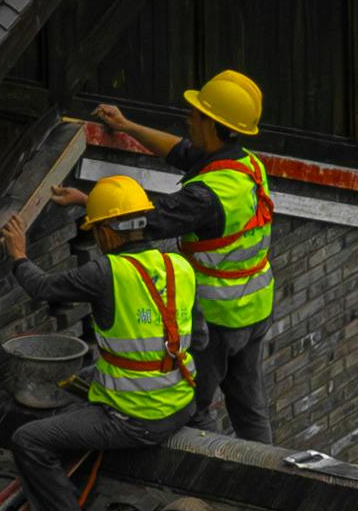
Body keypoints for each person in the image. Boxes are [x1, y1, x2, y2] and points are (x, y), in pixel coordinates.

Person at [0, 173, 197, 511]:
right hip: (182, 402)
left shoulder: (103, 273)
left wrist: (18, 255)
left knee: (29, 439)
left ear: (105, 234)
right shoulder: (179, 267)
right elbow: (198, 341)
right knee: (88, 380)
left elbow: (44, 288)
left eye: (95, 230)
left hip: (136, 418)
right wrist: (88, 203)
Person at [85, 68, 275, 442]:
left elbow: (146, 224)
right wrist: (127, 126)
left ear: (213, 124)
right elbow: (181, 153)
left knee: (191, 408)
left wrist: (89, 206)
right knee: (250, 408)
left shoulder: (204, 196)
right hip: (254, 309)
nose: (188, 118)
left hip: (216, 322)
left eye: (195, 113)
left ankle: (199, 479)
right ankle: (266, 476)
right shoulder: (244, 164)